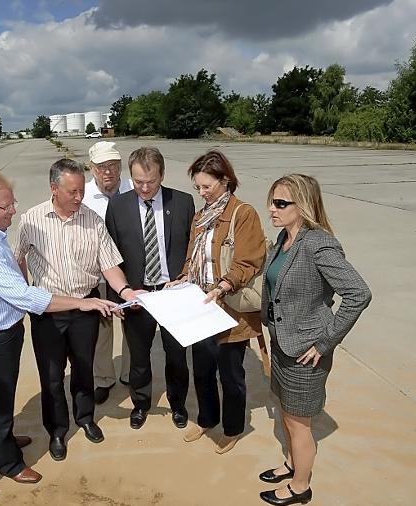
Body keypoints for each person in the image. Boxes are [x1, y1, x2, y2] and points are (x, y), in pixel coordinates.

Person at [0, 173, 116, 485]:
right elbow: (24, 295)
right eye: (6, 206)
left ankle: (4, 443)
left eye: (13, 203)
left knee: (3, 397)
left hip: (5, 330)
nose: (13, 210)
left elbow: (18, 265)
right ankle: (9, 464)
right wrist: (80, 303)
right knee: (0, 400)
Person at [15, 158, 143, 461]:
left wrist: (125, 290)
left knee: (84, 370)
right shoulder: (31, 220)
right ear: (53, 189)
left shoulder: (92, 220)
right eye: (72, 192)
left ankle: (85, 418)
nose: (79, 197)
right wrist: (25, 293)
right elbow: (18, 258)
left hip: (87, 308)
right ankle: (58, 431)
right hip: (48, 312)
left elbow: (108, 263)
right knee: (52, 376)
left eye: (81, 191)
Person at [258, 174, 371, 505]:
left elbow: (358, 293)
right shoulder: (285, 238)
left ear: (302, 206)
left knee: (298, 423)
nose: (271, 209)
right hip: (283, 342)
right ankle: (292, 465)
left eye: (280, 204)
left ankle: (300, 486)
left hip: (306, 351)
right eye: (271, 201)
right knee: (286, 410)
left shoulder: (318, 244)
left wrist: (326, 342)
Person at [172, 150, 267, 454]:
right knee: (202, 371)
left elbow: (249, 260)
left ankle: (233, 428)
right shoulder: (200, 217)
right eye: (197, 187)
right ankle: (207, 419)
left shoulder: (243, 213)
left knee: (231, 375)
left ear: (225, 180)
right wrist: (183, 278)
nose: (202, 193)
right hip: (201, 308)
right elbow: (193, 257)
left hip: (230, 310)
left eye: (207, 187)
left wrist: (222, 287)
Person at [104, 146, 194, 430]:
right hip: (136, 294)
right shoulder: (117, 206)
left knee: (177, 355)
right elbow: (111, 254)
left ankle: (178, 403)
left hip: (173, 292)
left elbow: (193, 248)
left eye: (151, 182)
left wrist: (187, 278)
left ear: (162, 175)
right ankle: (141, 403)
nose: (144, 188)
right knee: (139, 357)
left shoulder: (183, 202)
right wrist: (116, 297)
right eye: (138, 182)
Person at [83, 141, 134, 404]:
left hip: (129, 274)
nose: (108, 172)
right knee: (102, 330)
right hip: (98, 276)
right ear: (92, 169)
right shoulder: (84, 197)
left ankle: (129, 373)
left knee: (131, 326)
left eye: (113, 166)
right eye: (101, 167)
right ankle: (103, 378)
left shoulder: (132, 190)